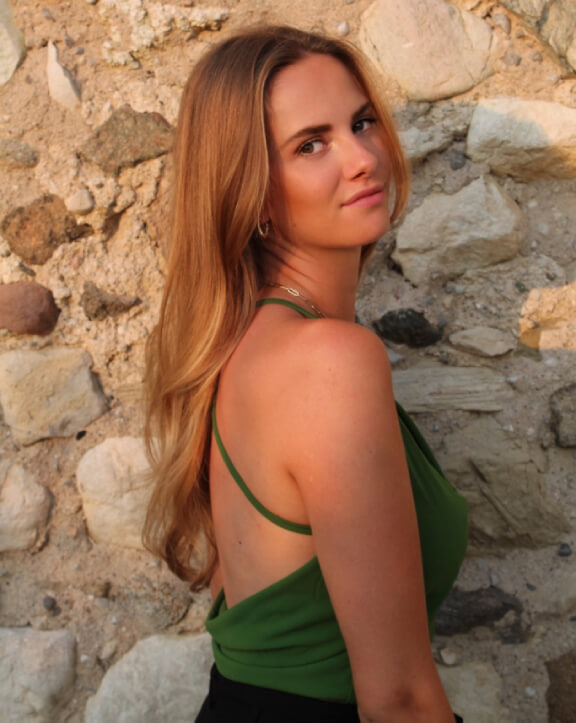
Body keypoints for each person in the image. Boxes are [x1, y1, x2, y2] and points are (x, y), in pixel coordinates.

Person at [144, 25, 468, 723]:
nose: (363, 159)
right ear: (252, 190)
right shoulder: (329, 363)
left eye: (362, 122)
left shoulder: (241, 346)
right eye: (310, 145)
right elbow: (399, 699)